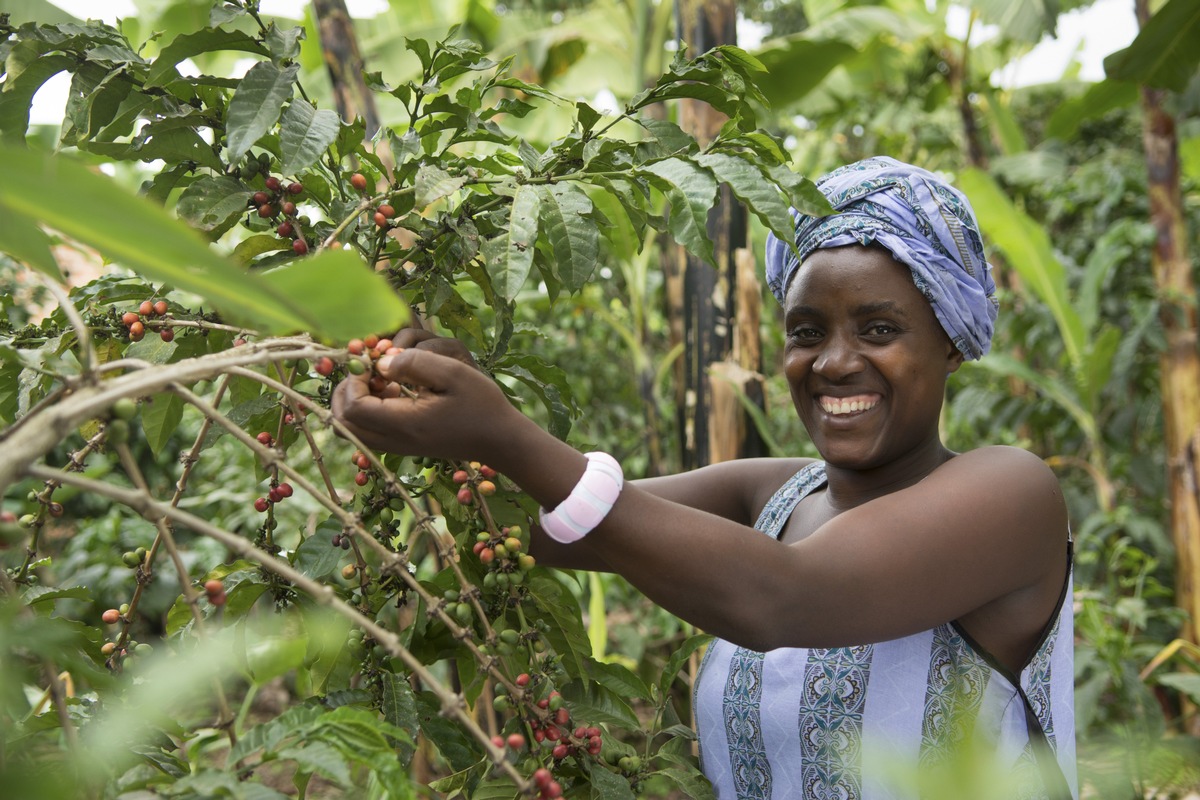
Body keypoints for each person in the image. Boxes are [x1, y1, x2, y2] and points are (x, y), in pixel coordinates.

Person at [332, 156, 1076, 799]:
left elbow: (783, 596)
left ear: (951, 342)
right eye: (806, 332)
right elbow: (538, 528)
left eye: (879, 330)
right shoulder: (770, 496)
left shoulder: (1012, 497)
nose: (834, 362)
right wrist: (437, 406)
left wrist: (501, 432)